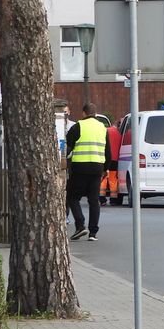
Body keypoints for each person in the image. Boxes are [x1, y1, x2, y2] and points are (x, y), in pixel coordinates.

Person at [66, 103, 113, 241]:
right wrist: (106, 168)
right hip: (97, 167)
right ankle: (93, 233)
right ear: (95, 113)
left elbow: (68, 146)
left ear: (84, 113)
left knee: (73, 197)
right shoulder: (103, 128)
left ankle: (80, 225)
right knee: (94, 200)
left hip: (80, 167)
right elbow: (108, 151)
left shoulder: (78, 126)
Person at [99, 114, 123, 205]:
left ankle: (101, 199)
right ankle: (113, 199)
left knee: (104, 178)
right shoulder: (120, 134)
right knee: (113, 179)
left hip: (105, 158)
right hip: (116, 159)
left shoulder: (106, 131)